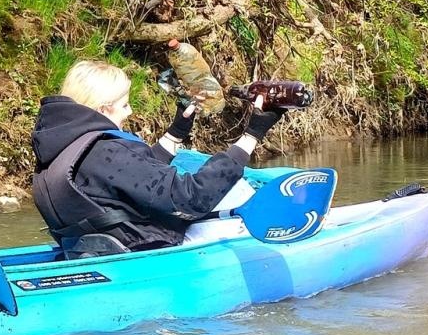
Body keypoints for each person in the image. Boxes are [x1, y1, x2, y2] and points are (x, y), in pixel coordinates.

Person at [30, 60, 282, 255]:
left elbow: (127, 180)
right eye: (125, 104)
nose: (129, 112)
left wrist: (176, 133)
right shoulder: (108, 151)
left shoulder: (61, 150)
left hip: (98, 249)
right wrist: (252, 135)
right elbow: (191, 197)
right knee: (235, 187)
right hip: (148, 251)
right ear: (103, 109)